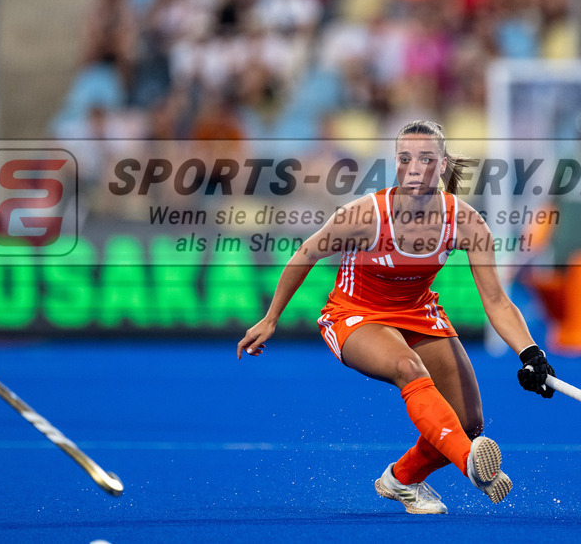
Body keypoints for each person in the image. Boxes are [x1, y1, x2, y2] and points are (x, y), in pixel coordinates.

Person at [237, 119, 557, 514]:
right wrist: (271, 318)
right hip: (355, 314)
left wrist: (531, 353)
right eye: (405, 159)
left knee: (468, 423)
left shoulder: (466, 222)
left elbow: (497, 301)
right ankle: (471, 465)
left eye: (425, 159)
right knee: (408, 367)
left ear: (442, 165)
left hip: (418, 312)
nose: (414, 168)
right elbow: (307, 253)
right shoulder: (365, 215)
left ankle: (401, 479)